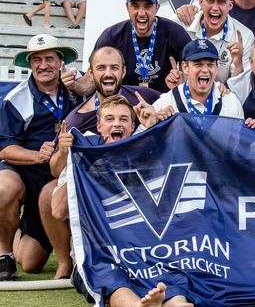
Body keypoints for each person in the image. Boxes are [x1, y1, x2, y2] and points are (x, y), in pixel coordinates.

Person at [49, 96, 191, 307]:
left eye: (124, 119)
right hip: (99, 251)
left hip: (145, 249)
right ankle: (138, 306)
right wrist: (74, 161)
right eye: (110, 119)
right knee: (113, 280)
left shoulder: (146, 151)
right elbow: (58, 211)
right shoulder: (83, 155)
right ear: (99, 126)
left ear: (132, 126)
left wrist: (154, 129)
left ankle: (174, 303)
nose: (116, 124)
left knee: (172, 278)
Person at [0, 34, 82, 280]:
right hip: (25, 173)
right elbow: (4, 148)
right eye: (36, 60)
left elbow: (98, 83)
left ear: (60, 62)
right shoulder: (16, 98)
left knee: (32, 263)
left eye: (49, 58)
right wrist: (38, 155)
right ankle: (3, 256)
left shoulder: (77, 87)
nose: (43, 65)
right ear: (29, 64)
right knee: (4, 188)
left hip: (59, 175)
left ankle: (17, 229)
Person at [91, 0, 191, 93]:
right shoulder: (111, 36)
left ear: (157, 7)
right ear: (127, 7)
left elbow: (195, 70)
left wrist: (182, 84)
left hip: (164, 103)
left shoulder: (175, 32)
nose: (141, 13)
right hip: (123, 104)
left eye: (148, 6)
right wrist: (74, 85)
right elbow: (90, 79)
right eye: (135, 6)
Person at [166, 0, 253, 89]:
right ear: (201, 2)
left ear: (230, 5)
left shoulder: (244, 35)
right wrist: (174, 79)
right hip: (184, 95)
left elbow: (241, 88)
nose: (215, 8)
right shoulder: (181, 23)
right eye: (210, 1)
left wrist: (238, 63)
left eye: (221, 2)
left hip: (223, 98)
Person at [139, 39, 244, 126]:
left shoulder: (231, 102)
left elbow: (240, 145)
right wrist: (152, 127)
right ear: (185, 67)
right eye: (198, 64)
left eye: (210, 64)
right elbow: (138, 143)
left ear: (217, 67)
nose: (205, 70)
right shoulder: (166, 102)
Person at [62, 46, 160, 134]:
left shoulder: (145, 96)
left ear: (123, 71)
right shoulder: (77, 121)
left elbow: (172, 108)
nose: (108, 73)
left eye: (114, 67)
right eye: (101, 68)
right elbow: (57, 152)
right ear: (91, 74)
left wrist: (159, 120)